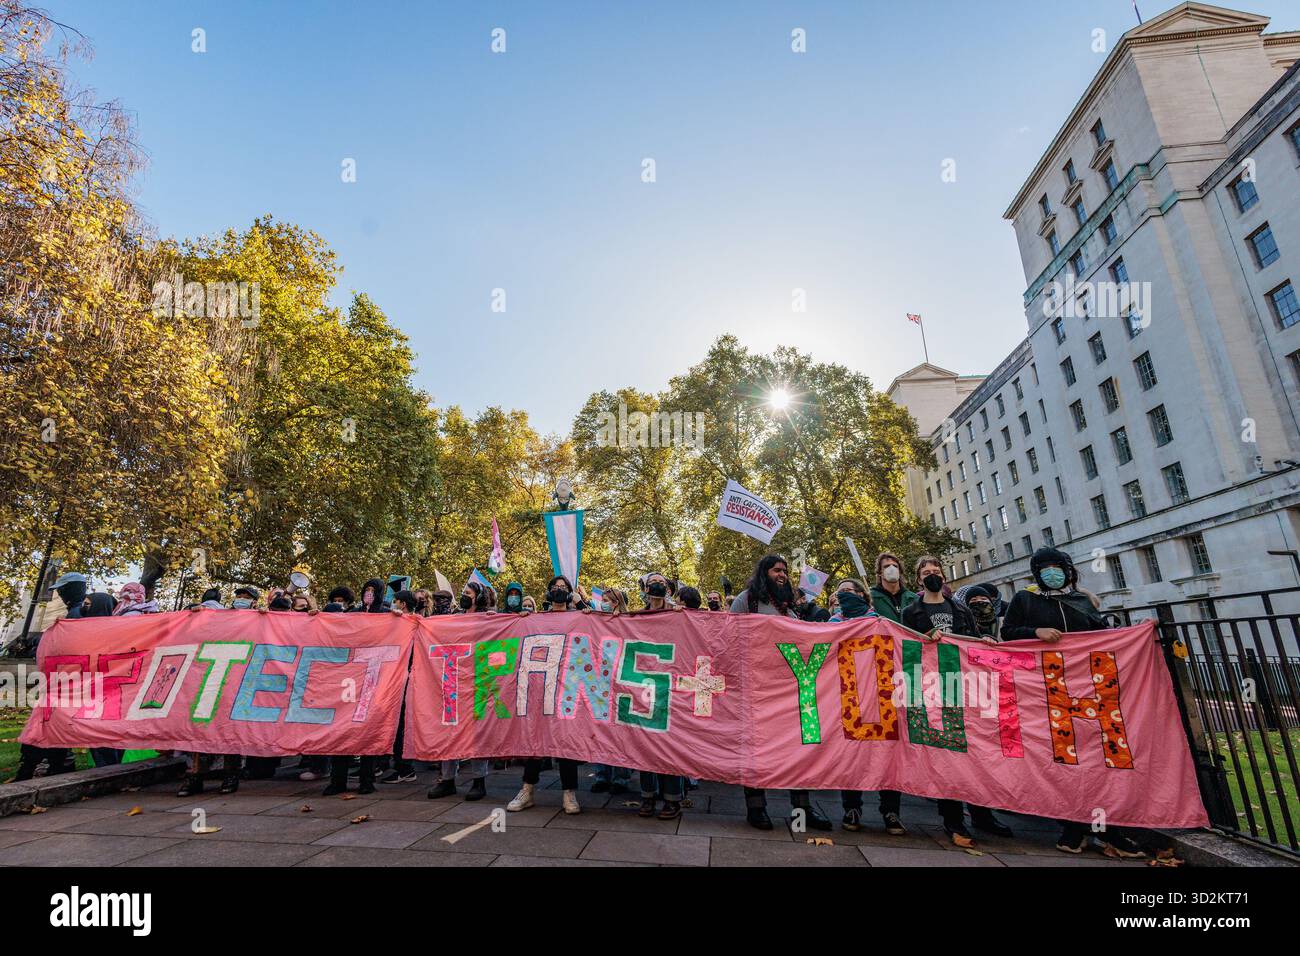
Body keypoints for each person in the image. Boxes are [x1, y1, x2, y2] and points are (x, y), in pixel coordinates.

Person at [1002, 547, 1146, 858]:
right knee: (1062, 761)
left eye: (1058, 567)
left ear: (1069, 570)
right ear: (1036, 572)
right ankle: (1073, 826)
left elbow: (1106, 639)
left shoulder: (1083, 602)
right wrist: (1035, 632)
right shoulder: (1024, 600)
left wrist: (1139, 636)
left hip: (1092, 693)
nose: (1052, 572)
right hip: (1048, 692)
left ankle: (1107, 829)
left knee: (1100, 760)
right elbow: (1008, 634)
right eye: (1045, 568)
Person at [901, 556, 1012, 846]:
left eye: (936, 571)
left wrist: (984, 642)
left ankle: (982, 814)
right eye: (926, 572)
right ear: (917, 580)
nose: (932, 575)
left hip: (963, 689)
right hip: (932, 691)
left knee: (974, 753)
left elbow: (972, 641)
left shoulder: (960, 608)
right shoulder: (911, 611)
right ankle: (953, 820)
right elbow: (903, 646)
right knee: (945, 756)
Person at [729, 555, 832, 832]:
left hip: (792, 689)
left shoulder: (793, 604)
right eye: (777, 570)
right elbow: (728, 637)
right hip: (756, 689)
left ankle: (802, 810)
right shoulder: (746, 600)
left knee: (798, 750)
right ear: (764, 573)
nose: (783, 574)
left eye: (785, 570)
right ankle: (756, 809)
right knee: (754, 750)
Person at [508, 576, 585, 815]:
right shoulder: (537, 619)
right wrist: (521, 620)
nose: (559, 591)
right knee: (535, 740)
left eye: (564, 588)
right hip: (539, 689)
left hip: (566, 690)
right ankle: (527, 790)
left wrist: (581, 604)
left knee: (566, 743)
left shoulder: (580, 618)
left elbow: (599, 621)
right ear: (549, 592)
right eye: (555, 587)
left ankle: (569, 793)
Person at [427, 585, 490, 801]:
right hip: (453, 681)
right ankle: (447, 780)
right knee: (449, 731)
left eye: (469, 594)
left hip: (477, 682)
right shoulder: (454, 619)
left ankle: (478, 781)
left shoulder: (488, 620)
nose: (464, 597)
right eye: (463, 594)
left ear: (478, 598)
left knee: (476, 733)